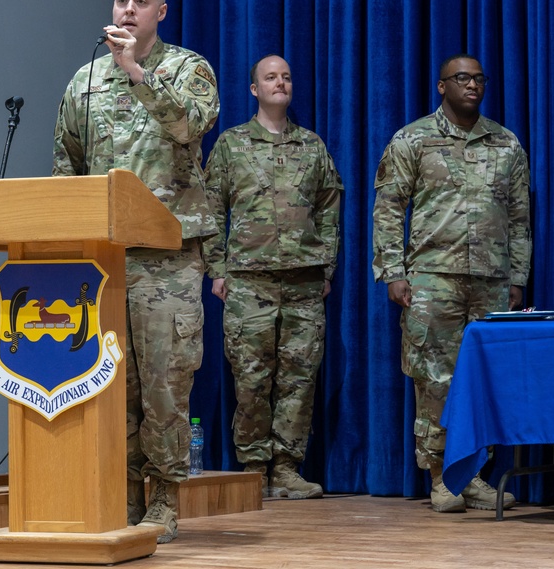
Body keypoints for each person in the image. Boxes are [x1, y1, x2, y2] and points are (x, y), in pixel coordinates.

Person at [52, 0, 219, 543]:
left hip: (168, 256)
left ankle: (166, 498)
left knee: (166, 382)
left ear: (160, 14)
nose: (127, 9)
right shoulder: (85, 81)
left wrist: (137, 72)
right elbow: (66, 165)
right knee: (112, 384)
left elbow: (191, 125)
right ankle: (120, 494)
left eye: (140, 1)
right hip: (104, 260)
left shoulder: (189, 68)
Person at [371, 54, 531, 513]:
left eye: (480, 78)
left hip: (492, 281)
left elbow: (519, 217)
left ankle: (475, 475)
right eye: (462, 78)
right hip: (433, 279)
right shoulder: (414, 139)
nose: (473, 85)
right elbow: (387, 209)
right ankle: (442, 477)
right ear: (442, 86)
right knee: (435, 380)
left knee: (485, 381)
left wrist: (516, 275)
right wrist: (395, 272)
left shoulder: (506, 143)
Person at [203, 54, 342, 500]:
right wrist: (217, 269)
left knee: (299, 378)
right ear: (254, 89)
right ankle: (254, 467)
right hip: (249, 280)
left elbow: (330, 210)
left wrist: (326, 266)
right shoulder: (231, 144)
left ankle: (287, 467)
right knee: (251, 378)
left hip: (303, 280)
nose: (280, 82)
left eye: (286, 76)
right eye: (270, 77)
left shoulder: (313, 146)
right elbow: (210, 207)